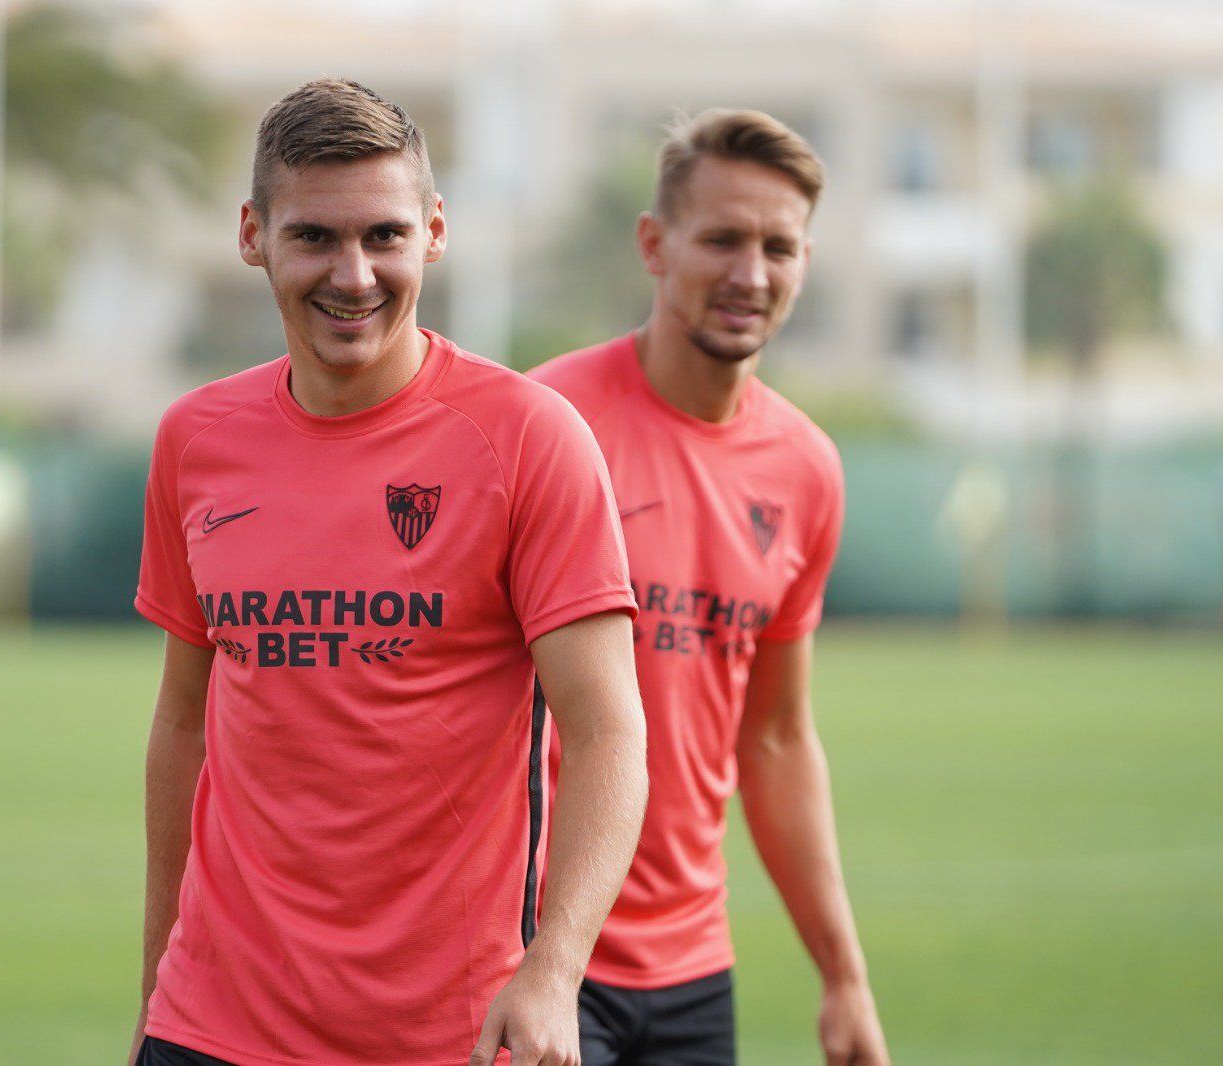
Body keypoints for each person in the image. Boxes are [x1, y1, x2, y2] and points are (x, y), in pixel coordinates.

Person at [129, 78, 648, 1066]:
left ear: (434, 233)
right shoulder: (194, 440)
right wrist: (157, 993)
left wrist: (555, 970)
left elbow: (608, 733)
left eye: (384, 236)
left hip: (446, 1034)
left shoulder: (528, 439)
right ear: (253, 235)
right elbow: (183, 724)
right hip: (210, 1027)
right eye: (315, 237)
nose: (354, 274)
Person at [530, 109, 890, 1066]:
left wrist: (844, 976)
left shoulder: (807, 469)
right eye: (723, 239)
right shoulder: (548, 423)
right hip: (538, 954)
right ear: (655, 244)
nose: (751, 274)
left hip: (692, 972)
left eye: (779, 247)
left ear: (806, 261)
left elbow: (774, 738)